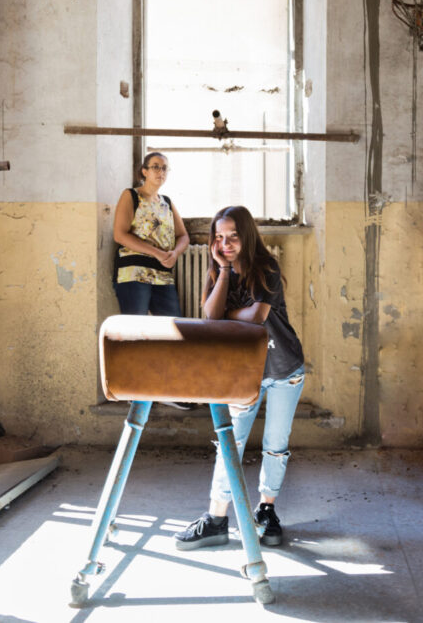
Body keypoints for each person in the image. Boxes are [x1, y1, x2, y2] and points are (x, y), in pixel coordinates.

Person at [174, 205, 306, 550]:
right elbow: (212, 314)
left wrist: (230, 315)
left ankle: (267, 511)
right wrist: (223, 270)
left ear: (246, 235)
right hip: (242, 372)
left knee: (275, 446)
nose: (226, 243)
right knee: (230, 443)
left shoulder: (267, 268)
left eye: (232, 236)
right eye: (219, 237)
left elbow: (257, 315)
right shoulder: (221, 271)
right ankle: (216, 518)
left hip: (283, 368)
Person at [112, 152, 189, 317]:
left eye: (164, 168)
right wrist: (157, 253)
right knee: (135, 328)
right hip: (134, 272)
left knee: (173, 325)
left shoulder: (166, 202)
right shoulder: (131, 195)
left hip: (163, 273)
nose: (160, 172)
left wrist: (175, 254)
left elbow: (183, 236)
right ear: (144, 171)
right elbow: (119, 235)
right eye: (155, 167)